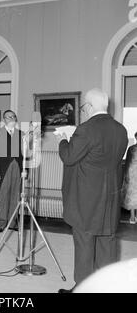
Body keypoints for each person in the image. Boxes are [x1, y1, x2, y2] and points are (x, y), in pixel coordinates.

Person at [55, 88, 128, 293]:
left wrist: (63, 139)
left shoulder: (86, 129)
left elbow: (69, 156)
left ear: (89, 106)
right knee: (107, 241)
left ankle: (84, 288)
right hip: (111, 196)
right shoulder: (121, 130)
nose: (83, 111)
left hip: (87, 197)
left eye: (84, 107)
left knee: (85, 240)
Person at [0, 110, 23, 232]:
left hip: (17, 167)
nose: (11, 118)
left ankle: (12, 223)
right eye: (8, 117)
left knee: (15, 196)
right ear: (4, 120)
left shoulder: (20, 134)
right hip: (3, 168)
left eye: (13, 116)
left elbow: (23, 154)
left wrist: (25, 170)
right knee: (3, 196)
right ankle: (1, 223)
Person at [122, 132, 137, 224]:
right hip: (132, 173)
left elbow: (128, 162)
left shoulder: (132, 148)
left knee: (132, 195)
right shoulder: (131, 149)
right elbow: (128, 162)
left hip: (132, 172)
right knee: (132, 195)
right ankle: (132, 217)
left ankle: (132, 217)